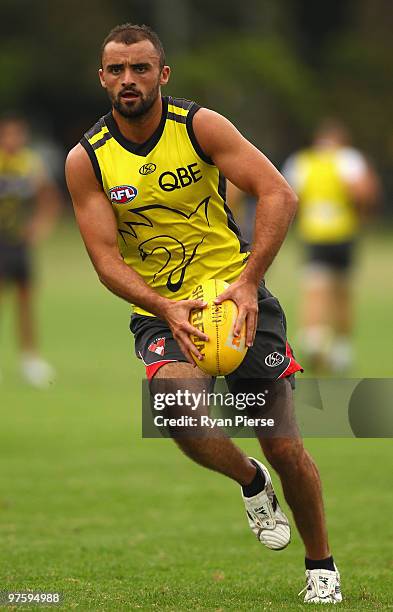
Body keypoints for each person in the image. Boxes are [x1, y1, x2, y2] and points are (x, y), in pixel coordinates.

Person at [65, 24, 342, 604]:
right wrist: (164, 306)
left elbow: (279, 195)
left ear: (162, 74)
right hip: (163, 307)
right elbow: (105, 260)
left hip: (237, 296)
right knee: (174, 409)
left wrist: (248, 283)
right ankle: (249, 481)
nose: (128, 80)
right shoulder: (87, 160)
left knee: (283, 442)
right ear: (102, 79)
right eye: (116, 70)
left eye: (141, 68)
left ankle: (322, 565)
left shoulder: (198, 127)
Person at [282, 120, 380, 374]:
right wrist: (361, 214)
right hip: (344, 233)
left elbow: (290, 195)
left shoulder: (302, 161)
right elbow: (364, 191)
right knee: (342, 291)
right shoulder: (349, 159)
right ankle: (341, 349)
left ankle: (314, 338)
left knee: (315, 289)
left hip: (315, 234)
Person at [0, 114, 60, 387]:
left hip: (19, 244)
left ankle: (30, 359)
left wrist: (39, 227)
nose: (13, 140)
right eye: (8, 134)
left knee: (25, 301)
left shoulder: (29, 164)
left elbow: (48, 197)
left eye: (18, 134)